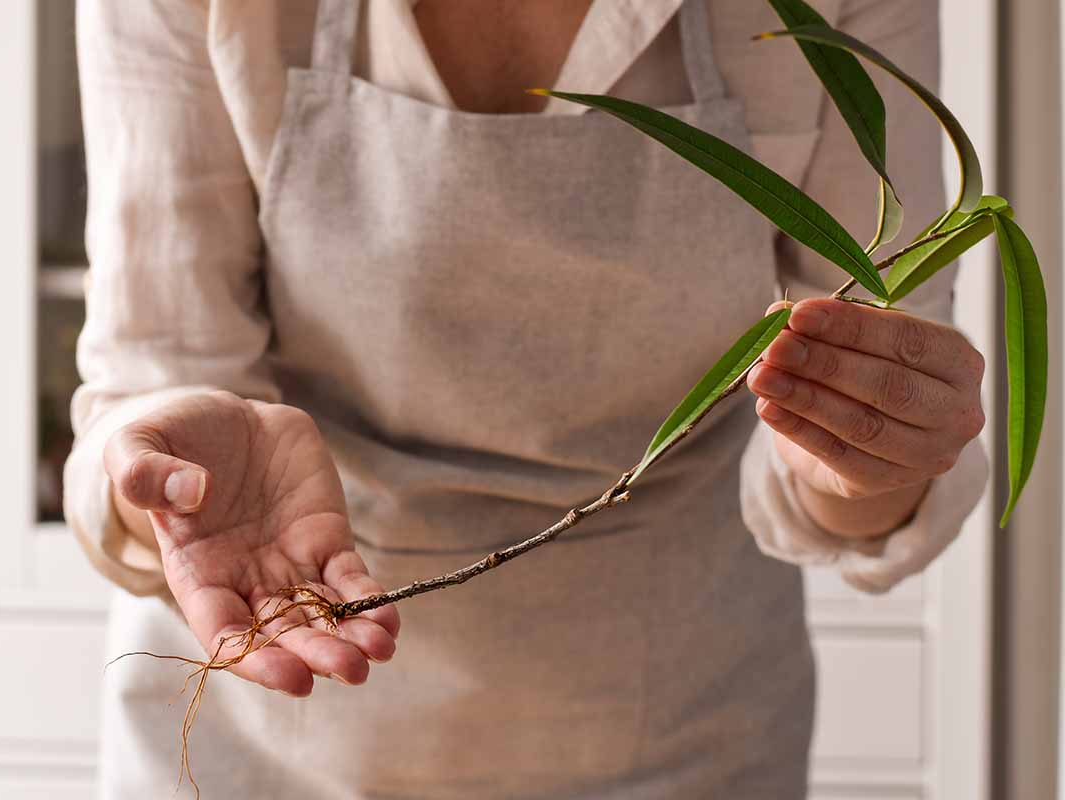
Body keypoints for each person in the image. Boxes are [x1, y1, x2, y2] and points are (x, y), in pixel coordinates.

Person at [64, 0, 988, 797]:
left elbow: (850, 439)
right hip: (270, 736)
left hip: (683, 737)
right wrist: (173, 485)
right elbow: (155, 373)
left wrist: (868, 446)